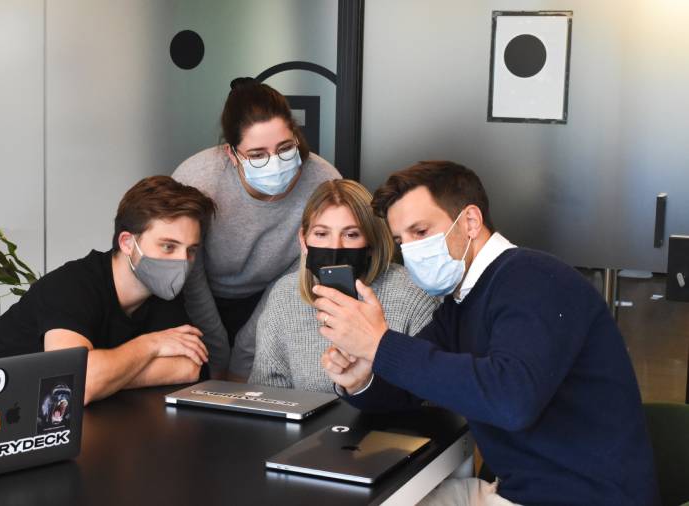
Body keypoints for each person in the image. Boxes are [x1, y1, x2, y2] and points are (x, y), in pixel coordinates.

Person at [316, 161, 658, 505]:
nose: (411, 251)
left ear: (470, 221)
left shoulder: (533, 279)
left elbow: (511, 401)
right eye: (401, 240)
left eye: (420, 232)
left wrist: (380, 344)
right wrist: (362, 379)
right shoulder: (461, 301)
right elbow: (407, 386)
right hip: (517, 491)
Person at [0, 176, 216, 435]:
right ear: (126, 242)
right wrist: (149, 347)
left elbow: (189, 367)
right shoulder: (73, 284)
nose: (181, 262)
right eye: (168, 246)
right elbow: (73, 384)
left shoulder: (162, 293)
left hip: (35, 421)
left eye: (190, 251)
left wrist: (104, 378)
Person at [173, 77, 341, 379]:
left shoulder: (323, 184)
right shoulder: (198, 181)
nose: (275, 163)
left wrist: (245, 355)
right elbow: (188, 272)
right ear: (231, 154)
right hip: (199, 295)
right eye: (257, 155)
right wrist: (219, 353)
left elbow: (298, 274)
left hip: (275, 295)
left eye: (286, 148)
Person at [248, 179, 437, 393]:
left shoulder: (412, 294)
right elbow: (266, 391)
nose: (335, 247)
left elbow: (433, 396)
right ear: (303, 239)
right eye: (321, 234)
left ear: (370, 242)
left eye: (351, 234)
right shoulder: (285, 294)